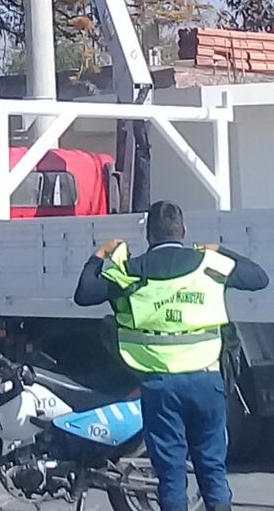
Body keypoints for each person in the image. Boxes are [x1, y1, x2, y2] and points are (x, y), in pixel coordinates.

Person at [73, 200, 268, 511]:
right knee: (212, 471)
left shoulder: (130, 272)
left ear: (149, 236)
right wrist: (219, 250)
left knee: (171, 475)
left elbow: (84, 293)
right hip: (206, 382)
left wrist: (100, 255)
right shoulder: (209, 265)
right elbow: (259, 278)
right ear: (184, 230)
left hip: (160, 387)